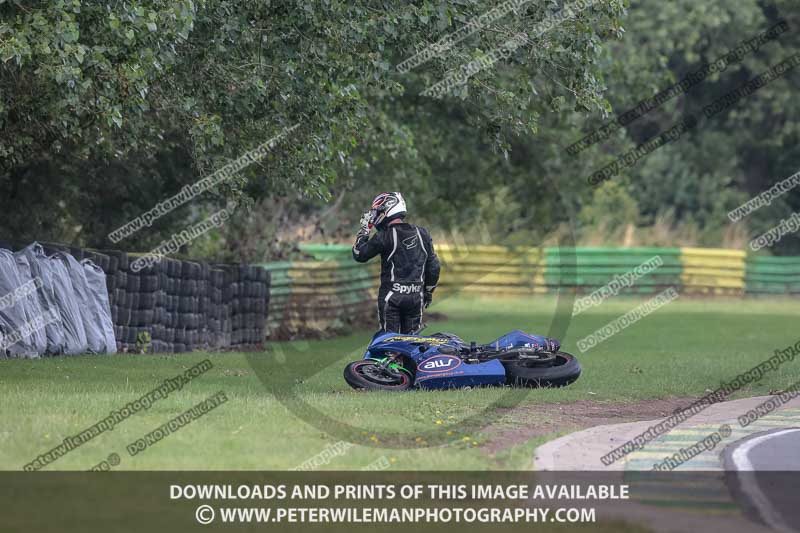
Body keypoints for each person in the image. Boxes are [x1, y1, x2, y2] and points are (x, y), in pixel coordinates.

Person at [352, 192, 440, 334]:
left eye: (378, 212)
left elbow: (359, 254)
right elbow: (434, 267)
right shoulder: (422, 233)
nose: (375, 216)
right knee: (412, 344)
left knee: (389, 343)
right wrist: (428, 292)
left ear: (387, 209)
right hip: (416, 297)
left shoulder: (384, 235)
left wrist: (364, 230)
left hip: (391, 298)